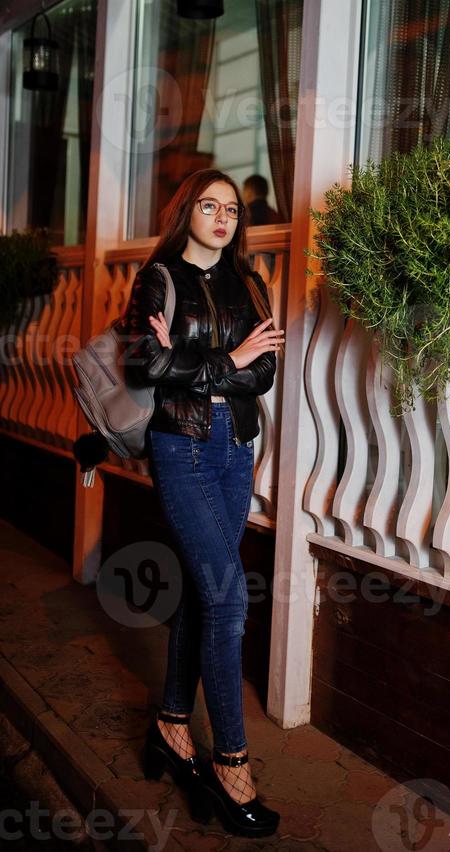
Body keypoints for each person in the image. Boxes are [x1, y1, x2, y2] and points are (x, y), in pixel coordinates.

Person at [121, 168, 285, 838]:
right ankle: (232, 765)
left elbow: (266, 371)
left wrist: (197, 359)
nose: (223, 217)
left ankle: (169, 727)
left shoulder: (250, 284)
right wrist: (230, 358)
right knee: (229, 596)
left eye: (233, 210)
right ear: (187, 211)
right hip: (181, 448)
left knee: (200, 591)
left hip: (234, 448)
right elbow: (142, 368)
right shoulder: (158, 280)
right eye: (210, 206)